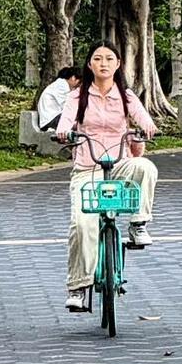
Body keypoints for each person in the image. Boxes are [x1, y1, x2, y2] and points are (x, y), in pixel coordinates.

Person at [56, 41, 158, 313]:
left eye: (109, 58)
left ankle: (138, 224)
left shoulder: (126, 96)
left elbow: (144, 119)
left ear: (118, 64)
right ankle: (77, 287)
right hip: (87, 171)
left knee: (146, 167)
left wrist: (147, 129)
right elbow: (65, 122)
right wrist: (65, 132)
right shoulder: (77, 97)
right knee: (82, 224)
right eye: (97, 59)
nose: (103, 63)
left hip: (120, 165)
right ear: (89, 64)